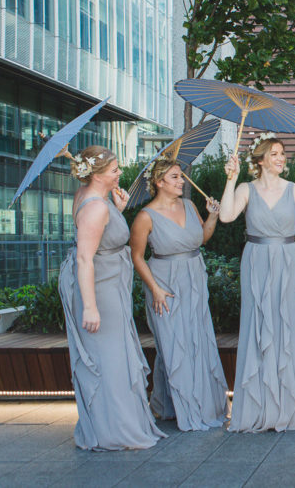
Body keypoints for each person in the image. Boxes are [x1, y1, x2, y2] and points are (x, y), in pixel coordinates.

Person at [58, 145, 166, 450]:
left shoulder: (95, 198)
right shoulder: (95, 207)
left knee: (111, 355)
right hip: (100, 289)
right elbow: (84, 259)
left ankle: (115, 422)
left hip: (109, 284)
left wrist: (117, 211)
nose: (120, 173)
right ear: (99, 175)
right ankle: (114, 429)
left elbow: (101, 235)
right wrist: (90, 307)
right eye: (114, 169)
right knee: (110, 357)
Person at [219, 133, 295, 432]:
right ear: (260, 160)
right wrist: (230, 180)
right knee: (258, 326)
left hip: (289, 260)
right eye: (274, 153)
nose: (281, 158)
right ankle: (258, 407)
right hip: (256, 261)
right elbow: (226, 216)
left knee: (288, 327)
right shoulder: (246, 189)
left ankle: (290, 408)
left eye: (282, 153)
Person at [129, 156, 228, 431]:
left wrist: (212, 215)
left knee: (196, 340)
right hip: (164, 283)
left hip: (194, 279)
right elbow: (137, 257)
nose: (181, 181)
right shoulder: (145, 217)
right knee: (174, 344)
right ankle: (184, 408)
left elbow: (202, 239)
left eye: (181, 176)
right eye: (175, 177)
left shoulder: (189, 204)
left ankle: (171, 405)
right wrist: (156, 289)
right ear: (159, 182)